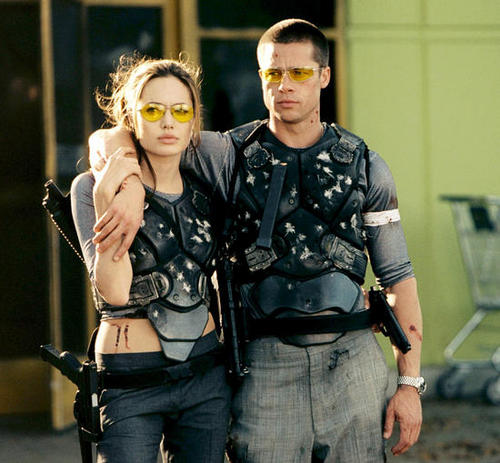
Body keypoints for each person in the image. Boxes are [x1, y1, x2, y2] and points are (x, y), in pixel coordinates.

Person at [88, 19, 424, 462]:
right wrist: (129, 179)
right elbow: (118, 132)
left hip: (352, 360)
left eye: (299, 73)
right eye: (272, 73)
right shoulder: (226, 153)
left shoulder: (365, 164)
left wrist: (409, 383)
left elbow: (398, 276)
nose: (285, 85)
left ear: (324, 76)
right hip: (266, 363)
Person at [71, 55, 231, 463]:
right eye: (153, 110)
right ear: (131, 116)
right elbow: (114, 291)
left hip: (204, 374)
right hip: (131, 380)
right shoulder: (90, 187)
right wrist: (113, 197)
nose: (168, 123)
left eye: (181, 111)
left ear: (194, 120)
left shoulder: (207, 184)